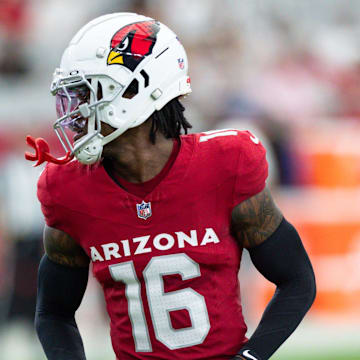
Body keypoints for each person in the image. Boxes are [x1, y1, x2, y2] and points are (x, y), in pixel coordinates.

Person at [29, 13, 316, 360]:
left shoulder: (226, 163)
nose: (74, 114)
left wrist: (250, 356)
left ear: (137, 89)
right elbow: (53, 313)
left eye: (87, 94)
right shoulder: (68, 191)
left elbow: (297, 279)